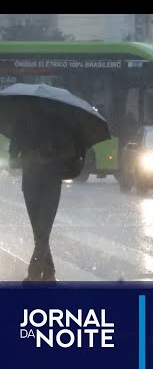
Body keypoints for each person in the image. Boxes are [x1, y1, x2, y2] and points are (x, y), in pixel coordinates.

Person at [9, 105, 78, 283]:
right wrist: (31, 157)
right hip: (37, 185)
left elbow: (70, 153)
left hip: (47, 184)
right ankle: (49, 273)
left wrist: (46, 158)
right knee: (40, 232)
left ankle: (34, 273)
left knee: (42, 230)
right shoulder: (23, 125)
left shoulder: (58, 126)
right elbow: (13, 161)